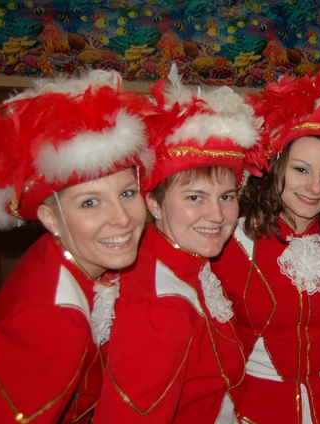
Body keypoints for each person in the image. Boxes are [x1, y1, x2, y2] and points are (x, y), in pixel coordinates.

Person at [93, 67, 265, 423]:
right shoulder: (159, 309)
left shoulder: (185, 261)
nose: (216, 215)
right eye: (195, 197)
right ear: (154, 203)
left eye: (226, 196)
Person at [0, 70, 153, 423]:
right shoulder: (55, 323)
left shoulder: (61, 256)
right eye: (90, 203)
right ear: (50, 218)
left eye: (127, 193)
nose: (122, 218)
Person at [209, 71, 320, 423]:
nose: (315, 188)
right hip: (250, 410)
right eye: (301, 170)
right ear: (276, 168)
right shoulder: (228, 239)